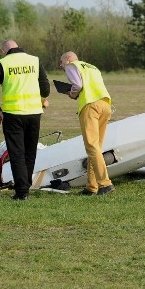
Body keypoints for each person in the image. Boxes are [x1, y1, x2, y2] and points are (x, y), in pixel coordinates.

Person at [0, 39, 51, 200]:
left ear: (3, 51)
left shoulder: (2, 63)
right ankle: (25, 186)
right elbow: (46, 88)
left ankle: (22, 192)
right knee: (30, 153)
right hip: (34, 114)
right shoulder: (34, 60)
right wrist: (43, 99)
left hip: (12, 114)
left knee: (17, 154)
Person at [60, 51, 114, 195]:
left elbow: (77, 85)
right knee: (96, 147)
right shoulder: (92, 67)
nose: (61, 66)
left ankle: (105, 184)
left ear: (69, 58)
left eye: (61, 62)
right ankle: (92, 186)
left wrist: (71, 93)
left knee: (91, 146)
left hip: (90, 106)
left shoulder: (72, 65)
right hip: (105, 104)